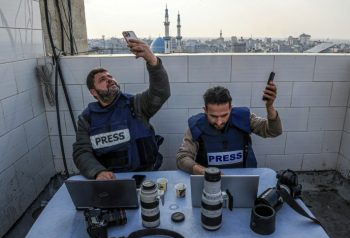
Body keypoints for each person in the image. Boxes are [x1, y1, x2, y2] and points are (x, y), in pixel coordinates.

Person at [73, 39, 170, 180]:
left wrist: (152, 60)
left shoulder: (135, 104)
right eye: (102, 80)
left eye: (110, 76)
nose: (110, 80)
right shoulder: (87, 118)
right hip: (112, 180)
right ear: (94, 92)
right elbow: (82, 152)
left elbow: (160, 93)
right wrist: (98, 172)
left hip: (147, 175)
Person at [176, 82, 282, 175]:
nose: (219, 121)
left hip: (244, 178)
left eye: (224, 115)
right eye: (213, 116)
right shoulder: (196, 126)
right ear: (205, 110)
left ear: (231, 109)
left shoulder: (245, 118)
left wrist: (270, 107)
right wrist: (204, 172)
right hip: (209, 182)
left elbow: (273, 131)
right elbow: (182, 158)